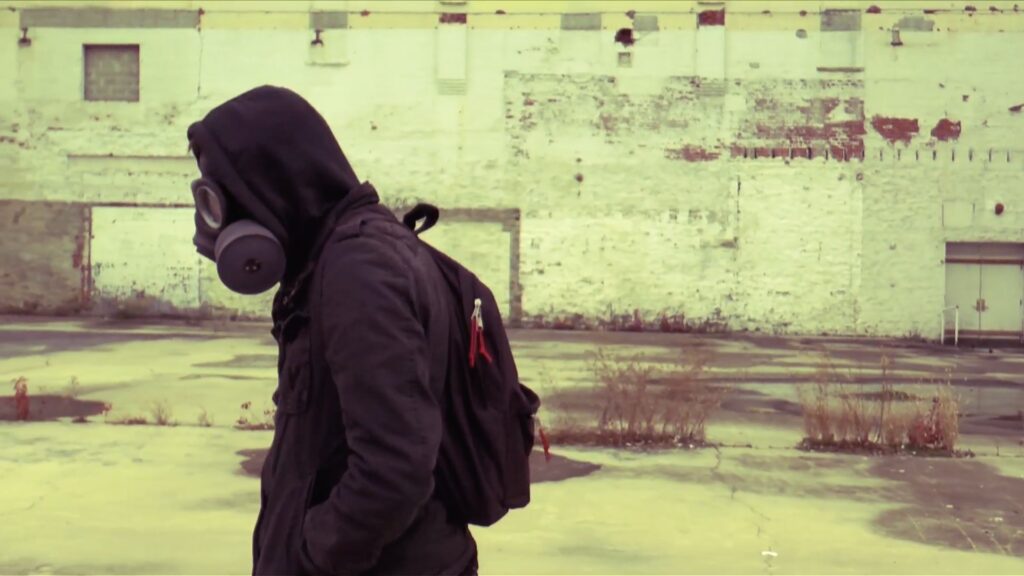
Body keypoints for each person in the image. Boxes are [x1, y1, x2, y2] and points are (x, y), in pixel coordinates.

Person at [186, 86, 478, 576]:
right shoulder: (338, 257)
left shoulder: (358, 269)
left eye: (223, 195)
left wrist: (312, 556)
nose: (216, 221)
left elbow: (395, 465)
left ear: (273, 180)